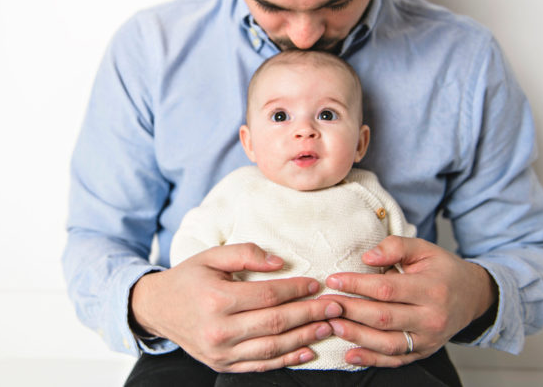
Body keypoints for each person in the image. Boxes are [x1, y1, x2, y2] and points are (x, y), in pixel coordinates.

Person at [62, 0, 543, 385]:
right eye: (268, 4)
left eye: (340, 0)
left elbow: (529, 250)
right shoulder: (150, 49)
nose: (303, 36)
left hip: (385, 351)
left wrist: (476, 294)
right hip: (203, 351)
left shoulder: (465, 60)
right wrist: (154, 304)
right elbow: (95, 240)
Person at [170, 49, 421, 373]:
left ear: (360, 143)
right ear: (249, 143)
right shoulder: (238, 192)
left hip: (368, 357)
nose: (304, 130)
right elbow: (192, 243)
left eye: (327, 115)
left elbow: (409, 254)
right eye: (280, 116)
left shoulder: (369, 193)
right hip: (261, 357)